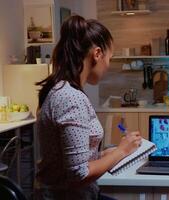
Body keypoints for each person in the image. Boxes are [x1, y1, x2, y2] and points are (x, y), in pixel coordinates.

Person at [35, 15, 142, 200]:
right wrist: (121, 151)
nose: (108, 65)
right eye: (110, 57)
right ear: (97, 54)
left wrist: (101, 154)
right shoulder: (71, 98)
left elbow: (68, 159)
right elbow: (79, 174)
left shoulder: (63, 90)